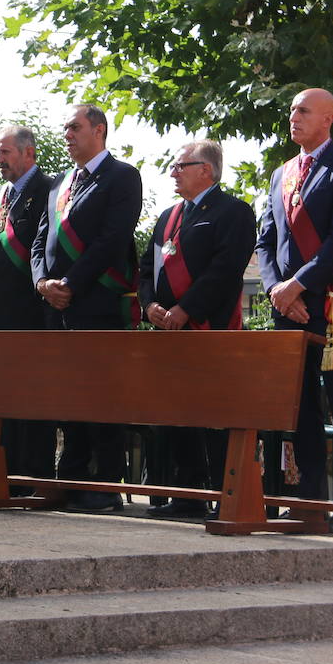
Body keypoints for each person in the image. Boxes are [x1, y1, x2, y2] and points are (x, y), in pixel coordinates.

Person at [256, 88, 333, 533]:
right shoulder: (280, 173)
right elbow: (266, 241)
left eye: (303, 111)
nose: (294, 117)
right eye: (291, 111)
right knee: (299, 405)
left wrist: (298, 285)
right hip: (289, 307)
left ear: (327, 119)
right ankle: (309, 499)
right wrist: (275, 291)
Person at [31, 103, 142, 512]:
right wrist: (42, 282)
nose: (67, 134)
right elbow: (41, 241)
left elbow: (113, 239)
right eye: (65, 128)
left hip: (97, 302)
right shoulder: (60, 182)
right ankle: (71, 478)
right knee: (67, 395)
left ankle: (104, 484)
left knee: (100, 395)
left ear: (99, 130)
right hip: (56, 307)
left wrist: (71, 284)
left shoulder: (123, 176)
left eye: (75, 127)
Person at [137, 140, 255, 519]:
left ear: (206, 169)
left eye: (180, 166)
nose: (173, 172)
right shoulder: (168, 216)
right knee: (177, 412)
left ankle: (224, 493)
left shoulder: (233, 211)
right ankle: (186, 494)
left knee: (215, 415)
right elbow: (147, 268)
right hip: (169, 331)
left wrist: (185, 309)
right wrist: (149, 305)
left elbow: (224, 271)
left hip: (211, 326)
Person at [0, 124, 57, 485]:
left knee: (31, 400)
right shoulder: (0, 194)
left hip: (30, 315)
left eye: (6, 152)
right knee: (3, 401)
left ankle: (33, 476)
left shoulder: (49, 190)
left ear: (29, 153)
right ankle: (4, 473)